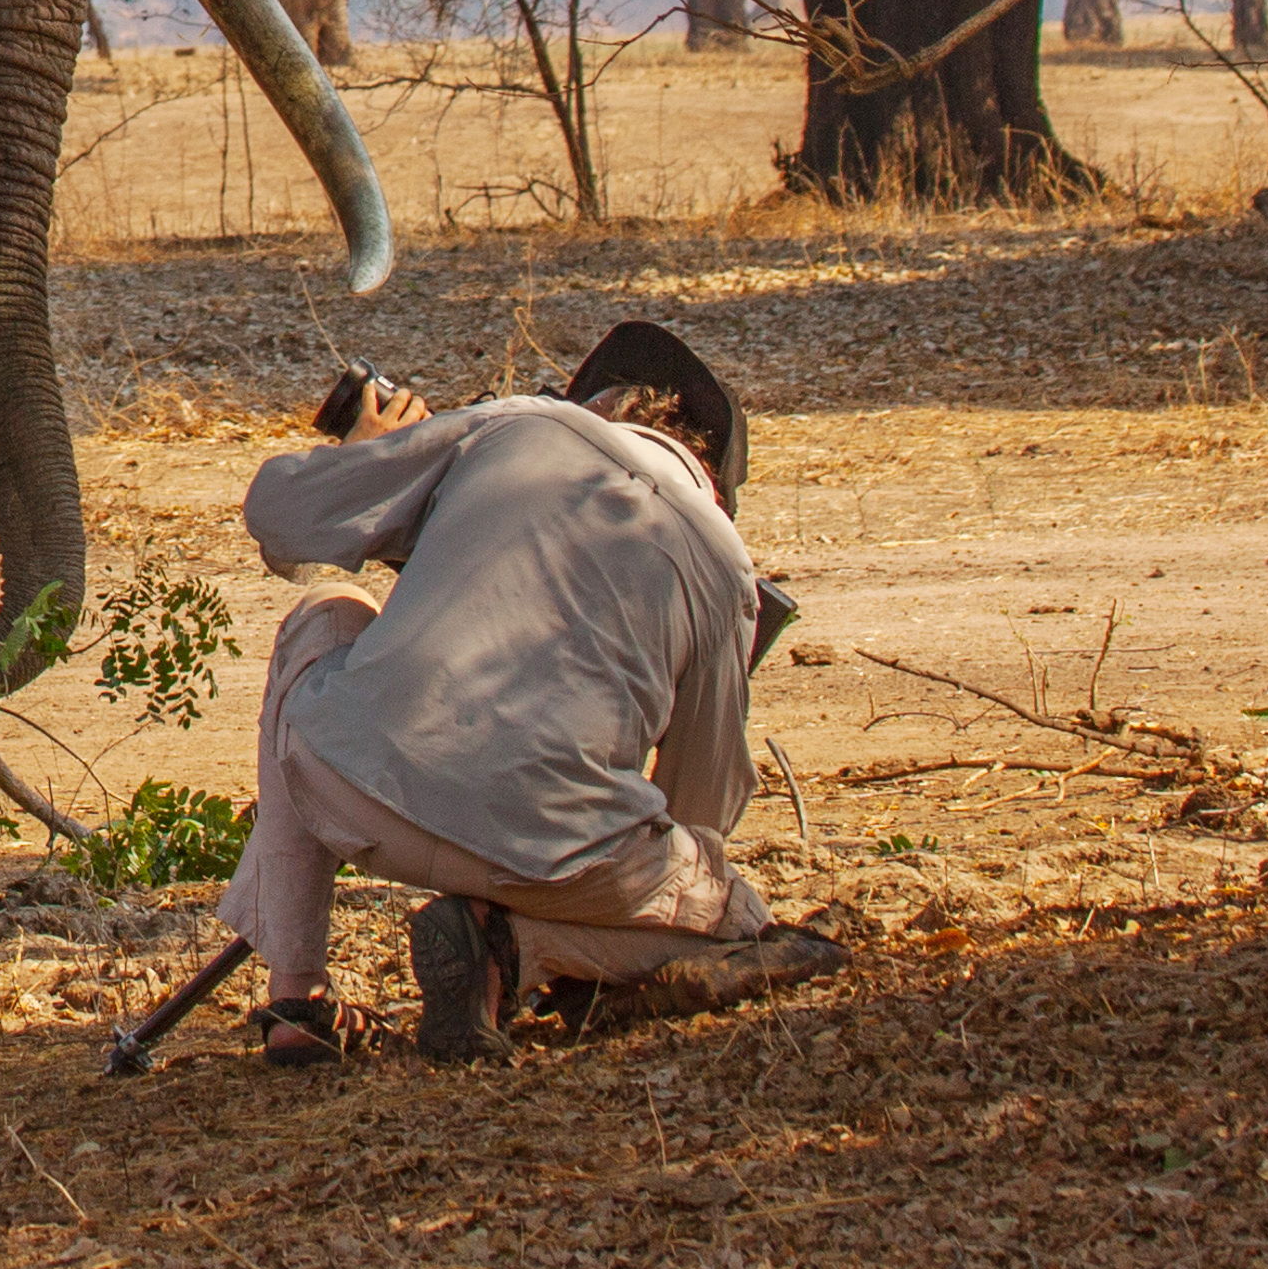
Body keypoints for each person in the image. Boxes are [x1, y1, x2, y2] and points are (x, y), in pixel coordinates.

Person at [217, 322, 842, 1064]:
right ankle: (516, 947)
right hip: (560, 851)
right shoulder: (725, 570)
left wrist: (369, 463)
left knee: (323, 615)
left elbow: (280, 513)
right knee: (734, 918)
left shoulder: (512, 426)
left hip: (345, 783)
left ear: (598, 403)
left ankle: (298, 996)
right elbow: (702, 802)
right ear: (710, 475)